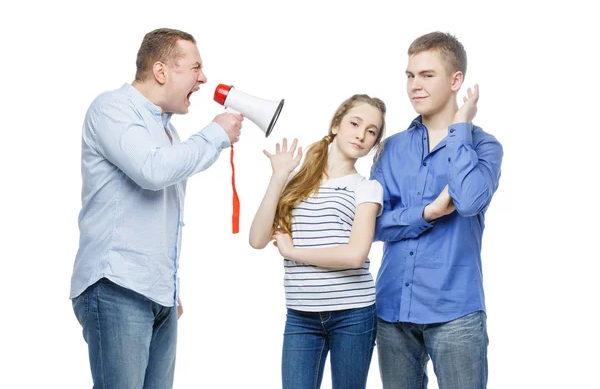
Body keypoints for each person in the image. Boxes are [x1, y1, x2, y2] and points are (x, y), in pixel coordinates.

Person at [69, 28, 243, 388]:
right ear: (162, 72)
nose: (204, 78)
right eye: (195, 67)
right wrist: (214, 134)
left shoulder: (168, 133)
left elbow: (160, 215)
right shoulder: (112, 108)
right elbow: (152, 171)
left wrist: (168, 287)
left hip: (157, 293)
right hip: (117, 284)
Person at [370, 31, 504, 389]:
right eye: (410, 75)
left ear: (456, 79)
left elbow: (471, 200)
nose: (415, 85)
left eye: (427, 75)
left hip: (455, 311)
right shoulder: (390, 148)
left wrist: (460, 127)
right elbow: (373, 226)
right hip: (393, 309)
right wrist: (426, 213)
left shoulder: (484, 146)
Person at [249, 94, 387, 388]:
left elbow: (355, 256)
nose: (361, 135)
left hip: (353, 313)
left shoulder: (367, 188)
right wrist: (279, 177)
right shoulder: (295, 183)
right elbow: (257, 239)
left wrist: (294, 252)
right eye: (355, 123)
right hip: (301, 315)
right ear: (336, 124)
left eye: (372, 131)